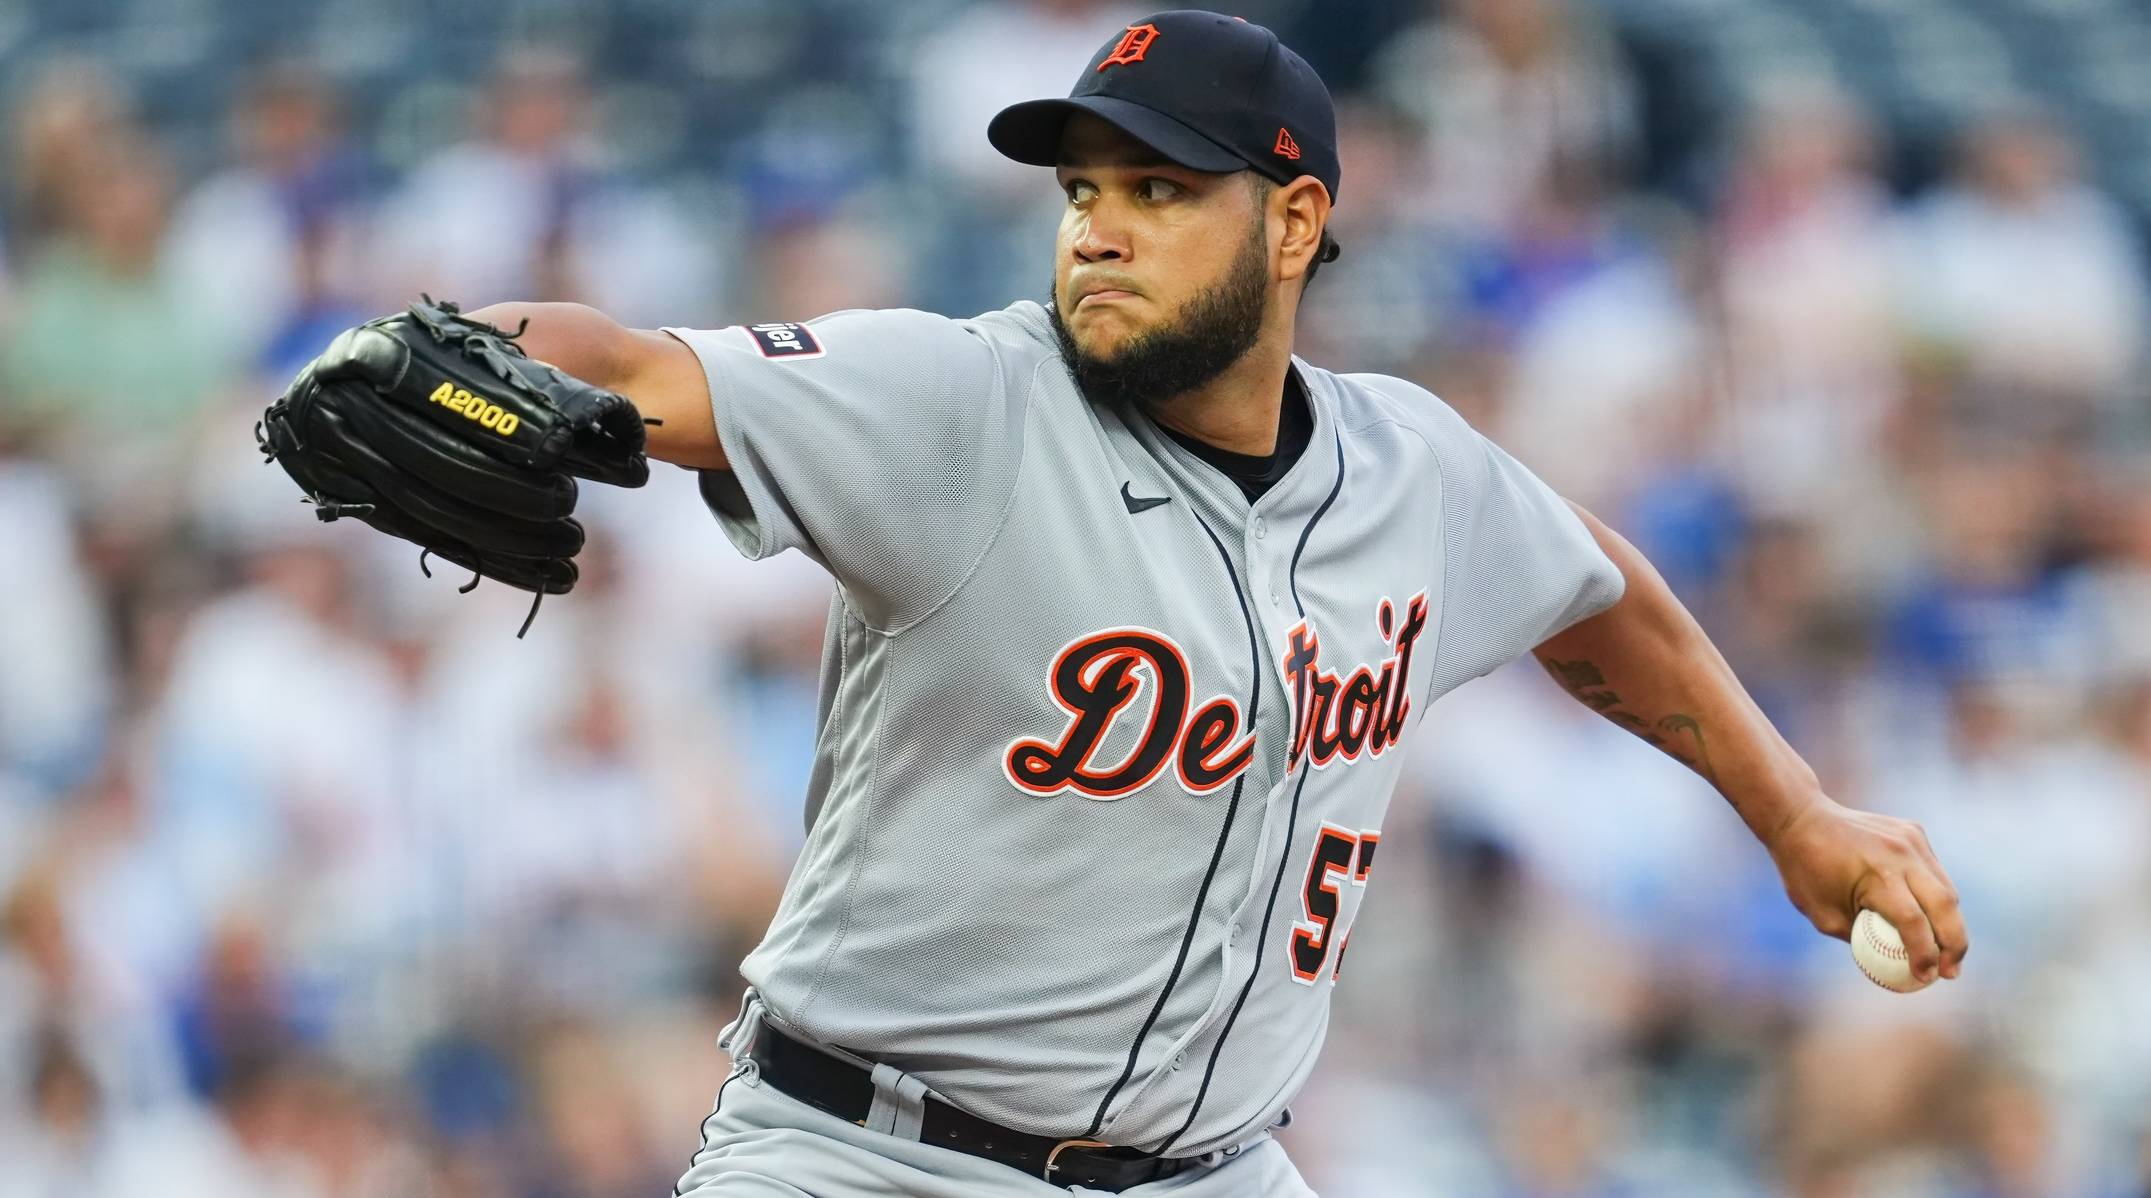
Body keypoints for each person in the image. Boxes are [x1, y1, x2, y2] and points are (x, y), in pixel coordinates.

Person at [297, 12, 1968, 1195]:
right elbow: (635, 364)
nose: (1099, 229)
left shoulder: (1412, 469)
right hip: (870, 1155)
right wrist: (464, 347)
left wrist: (1796, 811)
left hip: (1214, 1168)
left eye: (1159, 192)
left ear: (1296, 222)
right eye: (1083, 189)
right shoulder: (961, 404)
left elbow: (1597, 591)